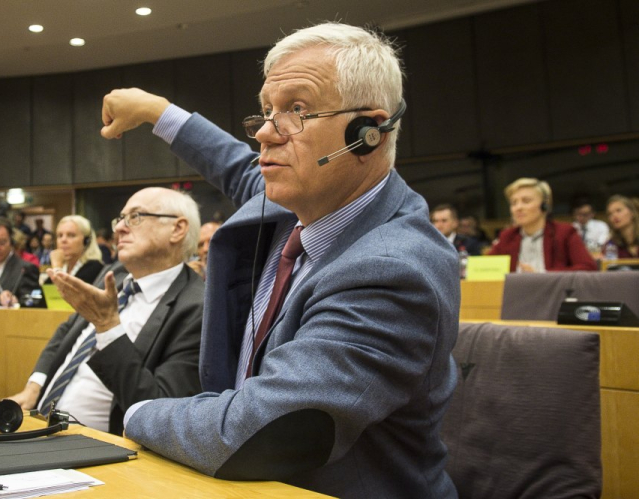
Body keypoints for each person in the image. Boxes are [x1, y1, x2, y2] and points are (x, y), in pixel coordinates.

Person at [100, 22, 459, 498]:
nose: (266, 133)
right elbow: (234, 163)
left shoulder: (393, 269)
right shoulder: (302, 199)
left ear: (367, 132)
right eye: (266, 110)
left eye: (296, 110)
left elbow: (262, 431)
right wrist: (155, 112)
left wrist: (137, 413)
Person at [8, 187, 204, 435]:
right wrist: (34, 386)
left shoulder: (197, 308)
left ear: (177, 229)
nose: (120, 228)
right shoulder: (115, 275)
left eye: (136, 217)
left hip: (103, 453)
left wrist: (108, 327)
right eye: (120, 218)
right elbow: (67, 332)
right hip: (35, 425)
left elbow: (158, 411)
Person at [488, 178, 597, 272]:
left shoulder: (564, 233)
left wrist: (542, 275)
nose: (518, 208)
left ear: (545, 205)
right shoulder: (507, 236)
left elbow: (588, 268)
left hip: (553, 294)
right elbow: (483, 269)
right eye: (513, 203)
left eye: (526, 201)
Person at [43, 215, 104, 285]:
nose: (63, 240)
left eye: (71, 235)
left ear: (86, 241)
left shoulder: (94, 267)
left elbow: (65, 294)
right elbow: (45, 293)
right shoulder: (63, 266)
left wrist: (57, 269)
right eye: (60, 235)